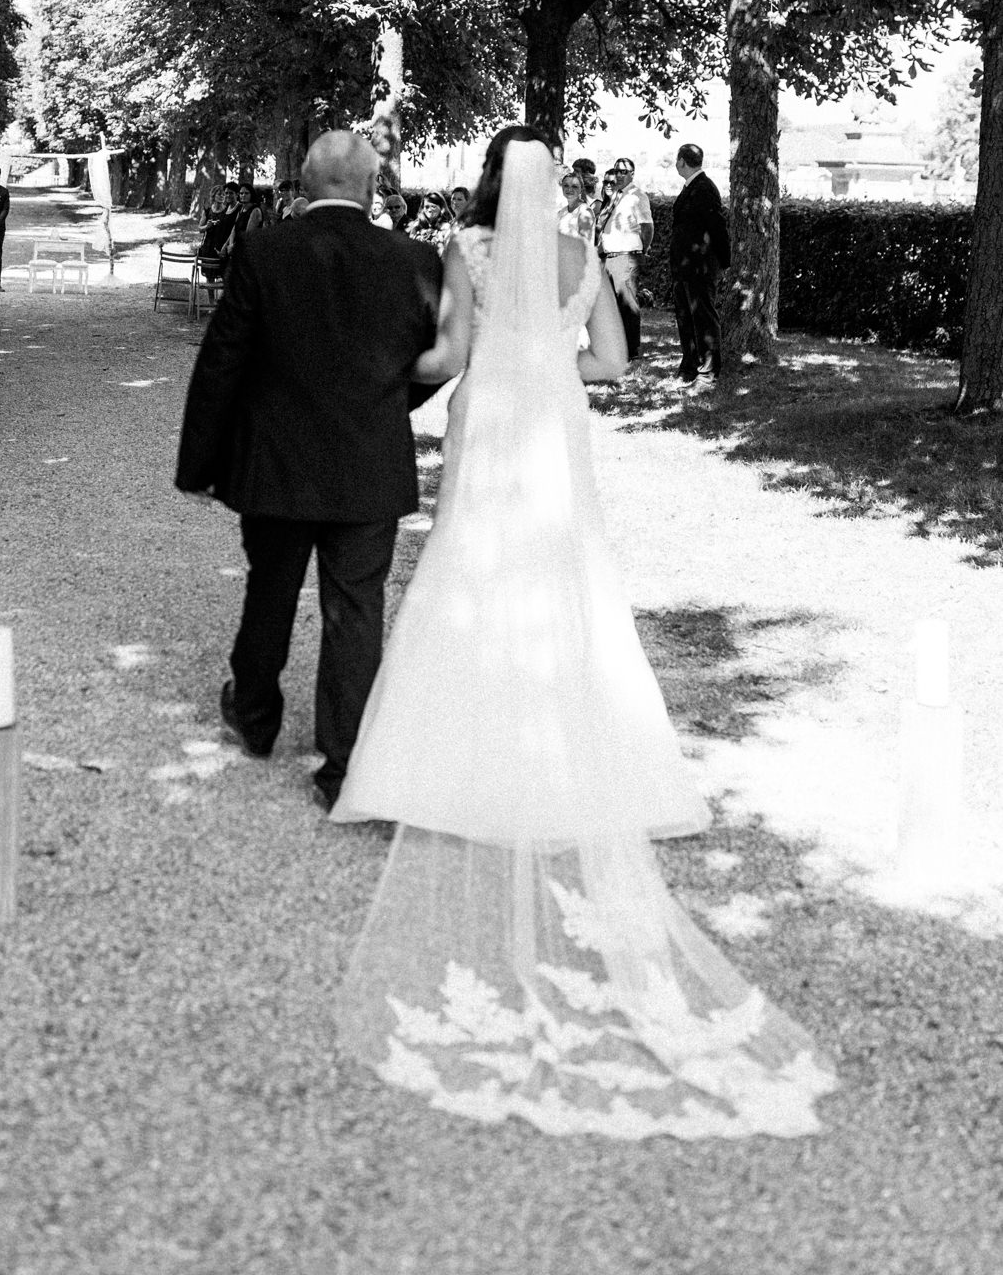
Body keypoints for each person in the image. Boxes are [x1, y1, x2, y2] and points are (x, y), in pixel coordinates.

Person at [332, 129, 836, 1140]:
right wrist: (554, 366)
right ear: (553, 178)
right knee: (566, 582)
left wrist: (378, 380)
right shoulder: (582, 252)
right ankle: (586, 762)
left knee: (470, 575)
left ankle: (440, 766)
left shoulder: (464, 250)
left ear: (486, 178)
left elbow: (451, 349)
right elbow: (610, 358)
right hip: (555, 427)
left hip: (489, 425)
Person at [175, 130, 443, 811]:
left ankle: (256, 716)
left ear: (304, 181)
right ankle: (342, 768)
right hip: (367, 466)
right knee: (355, 610)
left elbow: (223, 359)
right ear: (368, 184)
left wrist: (200, 464)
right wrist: (385, 406)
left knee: (269, 588)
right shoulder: (413, 259)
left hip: (278, 461)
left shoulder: (265, 251)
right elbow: (424, 364)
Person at [670, 142, 731, 383]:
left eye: (677, 160)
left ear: (681, 161)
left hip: (700, 268)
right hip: (684, 267)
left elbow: (718, 227)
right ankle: (689, 367)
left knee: (704, 319)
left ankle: (708, 374)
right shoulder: (691, 186)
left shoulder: (704, 188)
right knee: (686, 319)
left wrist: (724, 262)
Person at [598, 155, 653, 359]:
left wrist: (641, 251)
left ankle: (631, 350)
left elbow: (647, 227)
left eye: (624, 171)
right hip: (609, 256)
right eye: (617, 170)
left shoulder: (638, 196)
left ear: (632, 174)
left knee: (627, 304)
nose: (619, 175)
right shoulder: (617, 196)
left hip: (626, 256)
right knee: (613, 305)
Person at [557, 166, 596, 244]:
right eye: (566, 185)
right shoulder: (561, 212)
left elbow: (585, 244)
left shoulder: (585, 212)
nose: (569, 189)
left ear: (581, 189)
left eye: (574, 186)